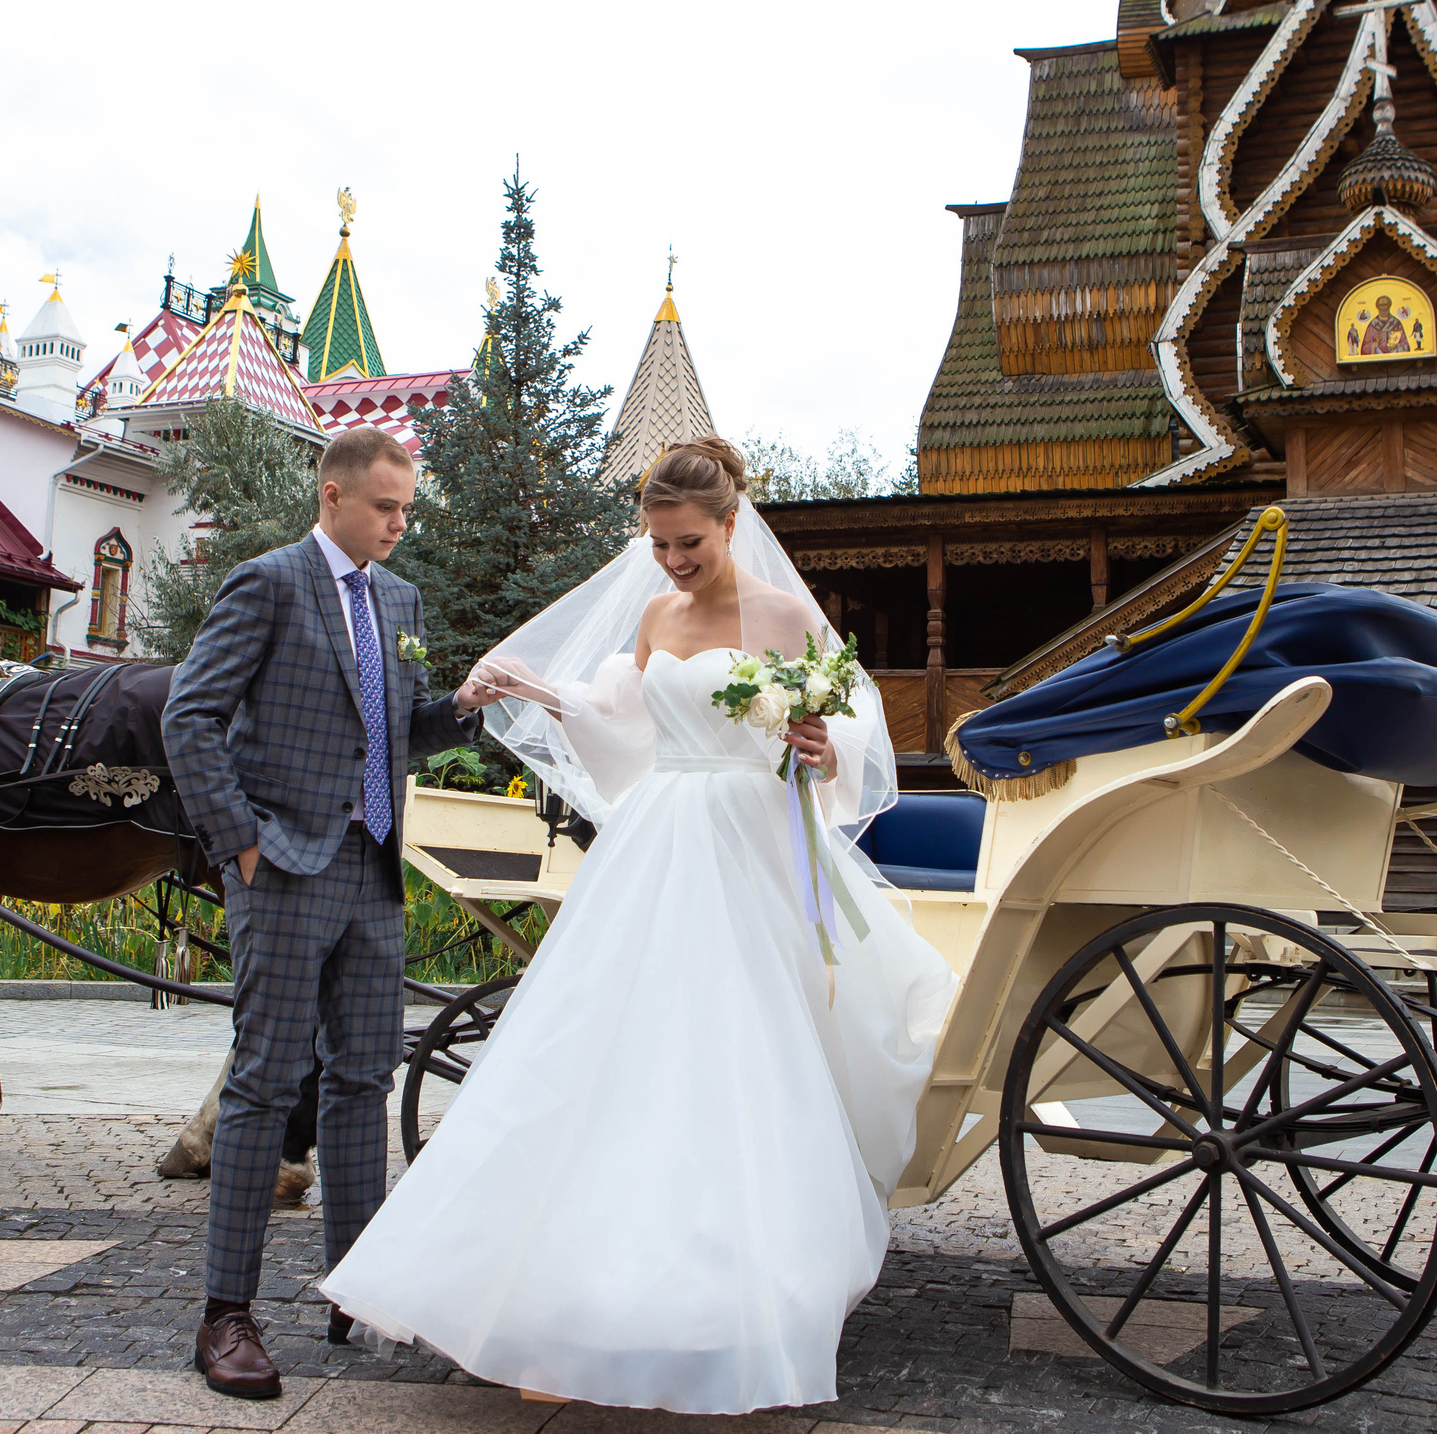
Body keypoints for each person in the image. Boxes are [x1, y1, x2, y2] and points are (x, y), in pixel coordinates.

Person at [318, 436, 957, 1414]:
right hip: (658, 840)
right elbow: (627, 726)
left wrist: (823, 745)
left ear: (730, 522)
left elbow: (848, 735)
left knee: (730, 1055)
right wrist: (536, 691)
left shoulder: (785, 616)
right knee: (610, 1046)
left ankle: (725, 1298)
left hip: (747, 841)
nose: (671, 561)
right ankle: (576, 1298)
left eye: (688, 542)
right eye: (659, 543)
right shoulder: (656, 614)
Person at [162, 424, 502, 1400]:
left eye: (406, 508)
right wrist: (241, 839)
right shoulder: (269, 583)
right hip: (284, 867)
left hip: (372, 872)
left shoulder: (400, 598)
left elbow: (399, 729)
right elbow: (191, 715)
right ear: (333, 497)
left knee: (360, 1079)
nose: (400, 523)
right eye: (385, 507)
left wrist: (466, 702)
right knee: (265, 1084)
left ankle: (357, 1289)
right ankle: (225, 1315)